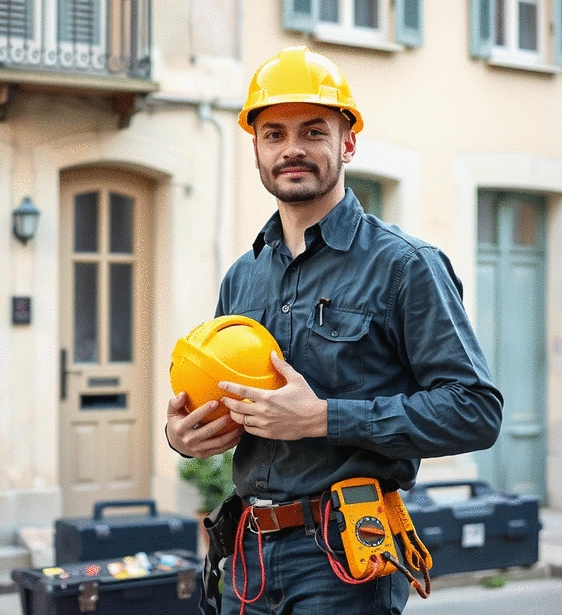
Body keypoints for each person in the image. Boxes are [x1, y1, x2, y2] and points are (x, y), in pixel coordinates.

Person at [166, 46, 503, 615]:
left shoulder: (404, 266)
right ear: (256, 148)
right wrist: (184, 435)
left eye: (312, 131)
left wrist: (322, 417)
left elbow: (474, 410)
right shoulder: (242, 278)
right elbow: (217, 400)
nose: (291, 148)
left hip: (343, 560)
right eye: (273, 133)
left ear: (347, 142)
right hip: (246, 557)